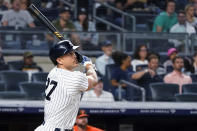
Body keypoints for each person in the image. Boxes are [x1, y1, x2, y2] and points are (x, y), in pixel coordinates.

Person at [34, 40, 98, 131]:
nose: (75, 56)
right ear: (59, 60)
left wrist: (74, 57)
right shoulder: (73, 77)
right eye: (70, 54)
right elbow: (94, 80)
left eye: (73, 53)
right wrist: (89, 65)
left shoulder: (54, 72)